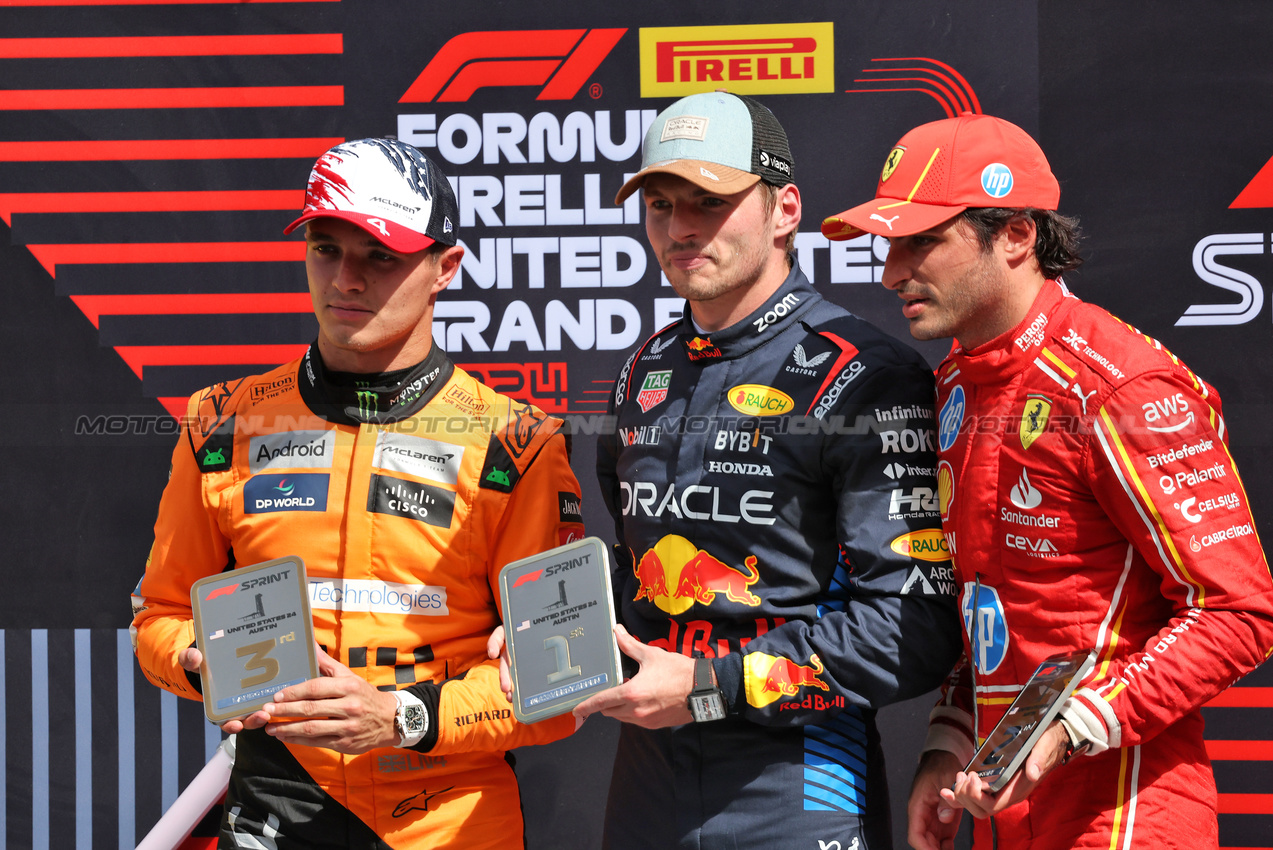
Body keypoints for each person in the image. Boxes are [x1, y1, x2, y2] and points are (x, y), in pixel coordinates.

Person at [822, 111, 1273, 849]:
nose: (890, 272)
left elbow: (1238, 613)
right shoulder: (953, 388)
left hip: (1127, 815)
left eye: (921, 241)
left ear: (1017, 235)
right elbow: (994, 606)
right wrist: (948, 737)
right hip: (1002, 808)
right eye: (888, 243)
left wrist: (1072, 729)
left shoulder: (1119, 386)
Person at [130, 137, 585, 849]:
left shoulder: (516, 442)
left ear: (445, 268)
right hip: (274, 805)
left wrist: (404, 716)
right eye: (325, 248)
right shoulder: (221, 423)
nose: (346, 278)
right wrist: (200, 660)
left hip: (449, 819)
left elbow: (563, 680)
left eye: (381, 255)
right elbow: (157, 618)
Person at [571, 90, 963, 850]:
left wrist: (708, 691)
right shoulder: (641, 370)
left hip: (796, 783)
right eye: (660, 203)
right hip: (646, 784)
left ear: (785, 209)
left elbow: (912, 626)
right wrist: (559, 637)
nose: (681, 227)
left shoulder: (865, 376)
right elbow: (635, 580)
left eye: (710, 201)